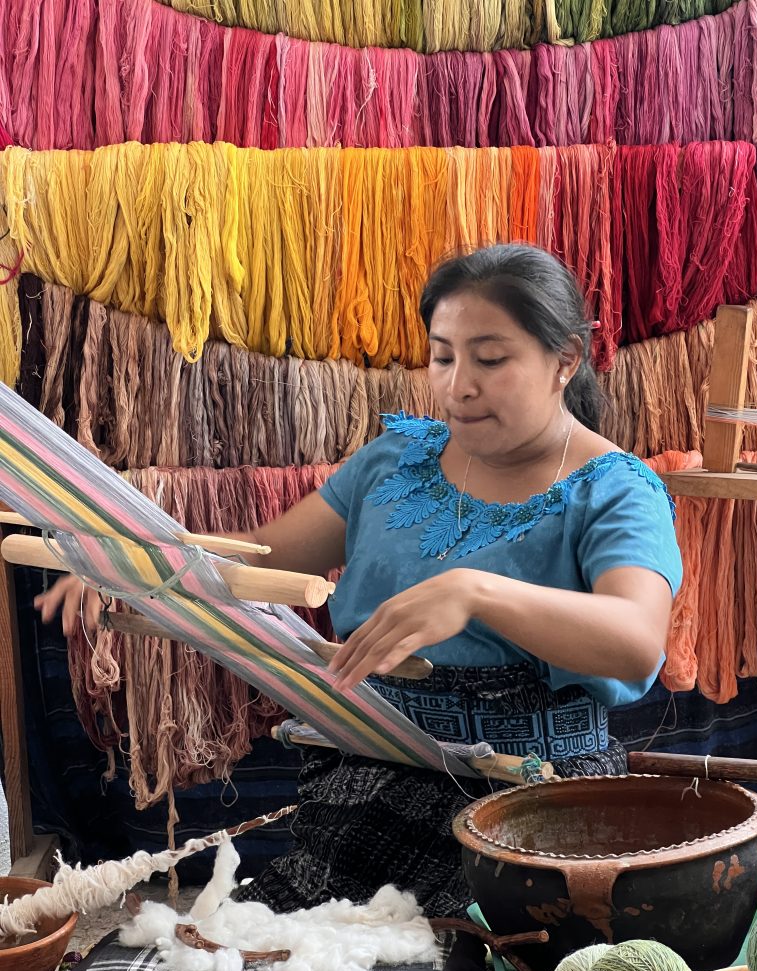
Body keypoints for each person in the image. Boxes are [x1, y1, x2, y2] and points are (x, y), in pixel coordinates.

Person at [37, 243, 682, 919]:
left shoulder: (616, 491)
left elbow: (636, 641)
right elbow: (258, 567)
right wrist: (137, 570)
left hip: (532, 806)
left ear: (566, 360)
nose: (459, 384)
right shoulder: (398, 463)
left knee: (452, 965)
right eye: (443, 355)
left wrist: (475, 592)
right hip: (372, 778)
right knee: (276, 957)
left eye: (491, 360)